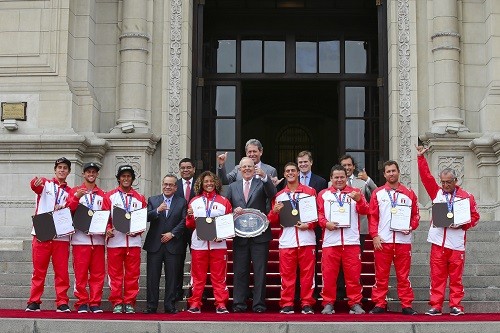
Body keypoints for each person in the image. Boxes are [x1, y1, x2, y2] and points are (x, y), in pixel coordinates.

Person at [416, 145, 480, 316]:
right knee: (437, 276)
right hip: (438, 242)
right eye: (442, 182)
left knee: (456, 278)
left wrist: (463, 224)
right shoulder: (437, 193)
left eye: (448, 182)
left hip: (457, 243)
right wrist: (421, 158)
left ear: (455, 181)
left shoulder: (466, 197)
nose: (444, 185)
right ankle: (436, 306)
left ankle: (456, 305)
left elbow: (475, 217)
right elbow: (426, 178)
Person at [225, 157, 277, 313]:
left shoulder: (262, 183)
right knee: (240, 270)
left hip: (260, 236)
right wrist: (233, 210)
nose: (247, 169)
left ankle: (259, 304)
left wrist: (265, 178)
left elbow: (272, 193)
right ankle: (239, 303)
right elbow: (227, 206)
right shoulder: (233, 186)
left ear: (255, 168)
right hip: (240, 235)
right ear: (240, 169)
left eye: (250, 166)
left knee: (260, 271)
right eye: (244, 167)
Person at [368, 160, 420, 315]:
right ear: (384, 174)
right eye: (388, 171)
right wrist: (375, 236)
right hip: (383, 241)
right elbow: (373, 217)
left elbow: (415, 216)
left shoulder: (410, 193)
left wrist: (411, 227)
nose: (391, 173)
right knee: (381, 275)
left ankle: (406, 304)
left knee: (403, 276)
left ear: (398, 172)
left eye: (393, 171)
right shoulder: (377, 193)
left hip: (403, 242)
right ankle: (379, 303)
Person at [317, 165, 369, 315]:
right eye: (336, 177)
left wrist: (359, 201)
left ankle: (355, 302)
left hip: (351, 241)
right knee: (329, 275)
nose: (339, 180)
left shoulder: (356, 193)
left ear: (347, 178)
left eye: (342, 177)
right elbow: (319, 215)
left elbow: (366, 211)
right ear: (331, 179)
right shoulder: (323, 194)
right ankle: (328, 302)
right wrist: (325, 224)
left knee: (353, 275)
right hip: (330, 242)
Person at [267, 162, 317, 314]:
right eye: (287, 171)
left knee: (308, 275)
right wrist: (274, 211)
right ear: (284, 174)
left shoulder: (310, 192)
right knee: (287, 275)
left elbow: (318, 216)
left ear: (297, 173)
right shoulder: (279, 195)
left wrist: (308, 225)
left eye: (293, 170)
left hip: (307, 239)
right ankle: (287, 303)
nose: (290, 173)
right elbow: (272, 220)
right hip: (287, 241)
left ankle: (307, 303)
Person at [26, 157, 73, 312]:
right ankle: (34, 301)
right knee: (39, 271)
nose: (62, 170)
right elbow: (35, 186)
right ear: (55, 170)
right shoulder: (46, 183)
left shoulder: (71, 191)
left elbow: (73, 205)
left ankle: (62, 302)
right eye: (59, 167)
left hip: (61, 234)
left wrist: (66, 205)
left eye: (65, 168)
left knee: (61, 271)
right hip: (43, 229)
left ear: (69, 172)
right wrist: (35, 182)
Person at [185, 171, 232, 314]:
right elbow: (189, 224)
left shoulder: (224, 201)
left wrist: (222, 235)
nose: (209, 184)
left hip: (218, 245)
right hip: (199, 244)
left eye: (211, 181)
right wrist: (190, 217)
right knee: (198, 276)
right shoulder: (194, 201)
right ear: (201, 184)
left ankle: (221, 304)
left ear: (216, 183)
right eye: (206, 181)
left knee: (219, 277)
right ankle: (195, 303)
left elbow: (228, 224)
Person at [103, 165, 147, 314]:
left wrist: (137, 231)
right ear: (119, 178)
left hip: (133, 243)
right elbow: (105, 217)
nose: (126, 179)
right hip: (115, 242)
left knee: (132, 274)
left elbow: (142, 219)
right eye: (123, 176)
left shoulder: (140, 198)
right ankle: (116, 302)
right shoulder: (109, 196)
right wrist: (107, 229)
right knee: (115, 275)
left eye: (129, 176)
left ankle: (129, 302)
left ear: (133, 179)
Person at [143, 174, 187, 314]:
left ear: (175, 187)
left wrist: (172, 234)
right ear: (162, 185)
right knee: (152, 277)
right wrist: (157, 210)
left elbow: (184, 221)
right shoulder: (153, 200)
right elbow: (145, 217)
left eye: (171, 185)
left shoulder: (182, 202)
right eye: (165, 184)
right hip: (154, 244)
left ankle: (170, 305)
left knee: (172, 277)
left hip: (173, 244)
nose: (167, 187)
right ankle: (151, 306)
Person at [66, 162, 106, 313]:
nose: (91, 174)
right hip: (80, 240)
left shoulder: (102, 194)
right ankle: (82, 302)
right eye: (88, 171)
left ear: (97, 175)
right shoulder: (75, 191)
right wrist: (76, 197)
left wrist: (107, 229)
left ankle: (95, 302)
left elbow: (107, 215)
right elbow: (68, 209)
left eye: (94, 172)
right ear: (83, 174)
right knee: (80, 273)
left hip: (98, 241)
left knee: (98, 273)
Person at [339, 154, 377, 299]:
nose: (347, 168)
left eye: (349, 165)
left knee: (355, 263)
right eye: (344, 165)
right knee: (339, 264)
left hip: (358, 228)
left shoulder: (362, 183)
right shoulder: (332, 184)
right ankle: (340, 291)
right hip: (338, 229)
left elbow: (376, 194)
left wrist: (368, 179)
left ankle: (355, 293)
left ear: (353, 167)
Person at [174, 158, 196, 300]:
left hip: (196, 228)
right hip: (179, 228)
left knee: (198, 261)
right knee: (177, 261)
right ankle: (177, 292)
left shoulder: (200, 184)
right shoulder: (174, 185)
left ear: (193, 169)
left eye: (188, 167)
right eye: (183, 168)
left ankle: (197, 292)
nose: (186, 170)